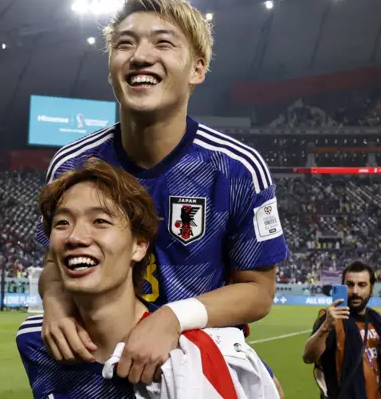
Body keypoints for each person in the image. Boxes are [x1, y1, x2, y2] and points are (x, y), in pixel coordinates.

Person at [37, 0, 290, 389]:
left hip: (198, 374)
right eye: (125, 44)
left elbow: (258, 291)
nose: (139, 56)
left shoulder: (237, 168)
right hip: (97, 371)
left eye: (163, 42)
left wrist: (171, 319)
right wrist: (53, 303)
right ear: (110, 69)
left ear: (198, 69)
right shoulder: (72, 165)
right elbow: (56, 263)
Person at [18, 158, 279, 398]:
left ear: (139, 246)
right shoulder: (33, 341)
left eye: (100, 221)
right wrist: (53, 301)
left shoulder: (190, 362)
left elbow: (260, 290)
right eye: (62, 223)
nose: (75, 237)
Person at [302, 261, 381, 399]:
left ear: (372, 288)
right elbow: (308, 357)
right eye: (350, 285)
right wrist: (326, 327)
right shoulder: (330, 319)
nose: (355, 291)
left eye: (362, 285)